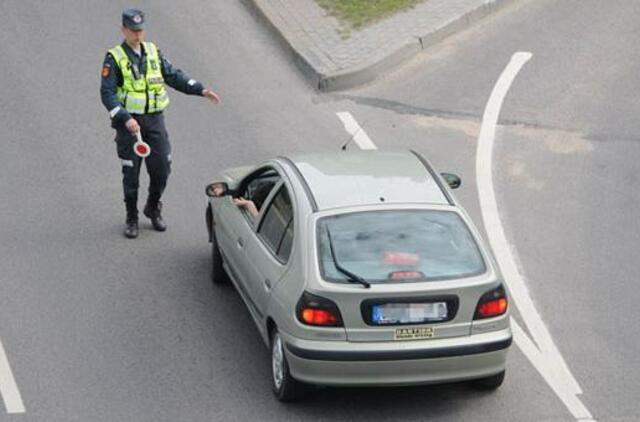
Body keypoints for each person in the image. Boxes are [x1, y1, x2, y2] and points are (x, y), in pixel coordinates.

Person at [100, 8, 221, 238]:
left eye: (140, 30)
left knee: (162, 169)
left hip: (154, 121)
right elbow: (107, 94)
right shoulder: (114, 58)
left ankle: (152, 207)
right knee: (131, 174)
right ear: (123, 30)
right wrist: (125, 118)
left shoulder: (153, 52)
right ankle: (132, 217)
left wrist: (200, 89)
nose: (137, 35)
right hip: (130, 126)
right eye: (133, 31)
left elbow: (173, 75)